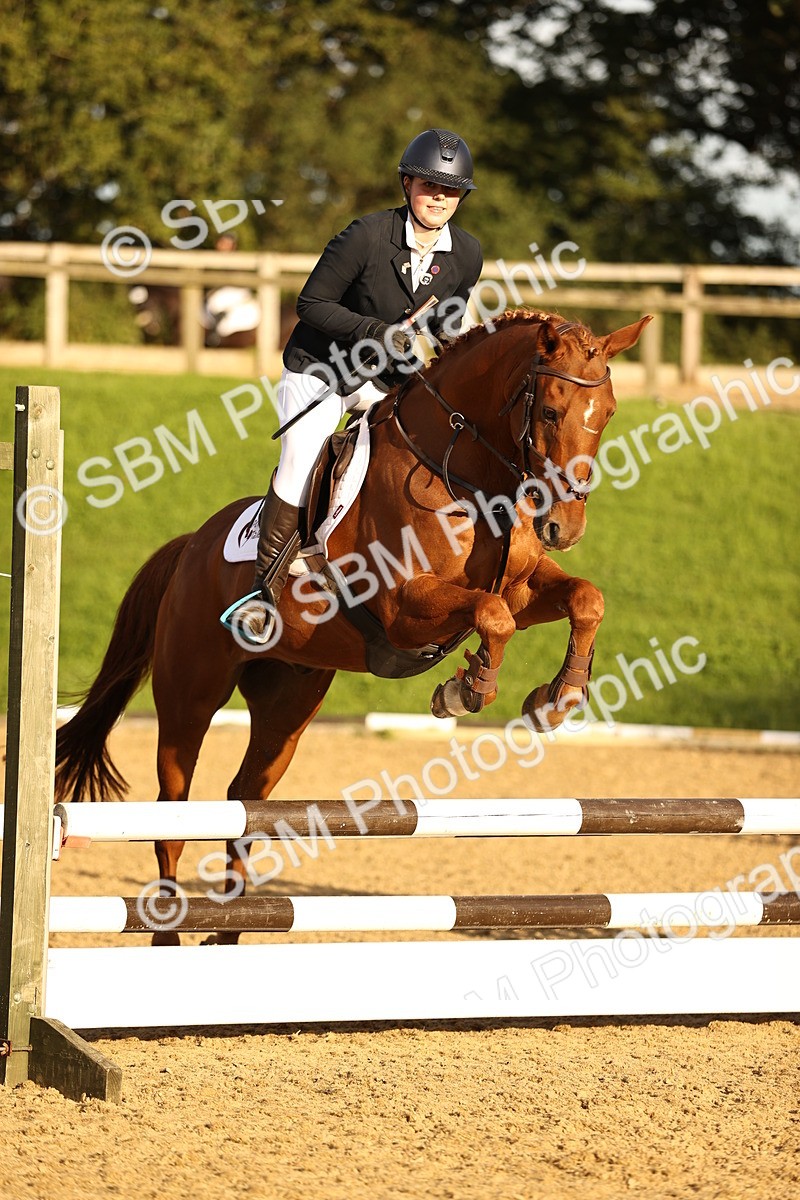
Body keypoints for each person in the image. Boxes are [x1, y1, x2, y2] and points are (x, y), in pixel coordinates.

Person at [226, 128, 483, 645]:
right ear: (407, 184)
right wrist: (375, 331)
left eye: (450, 191)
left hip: (384, 377)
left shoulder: (466, 254)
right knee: (302, 461)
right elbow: (311, 304)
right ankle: (262, 593)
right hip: (320, 368)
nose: (439, 198)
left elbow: (445, 326)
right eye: (429, 186)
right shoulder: (366, 235)